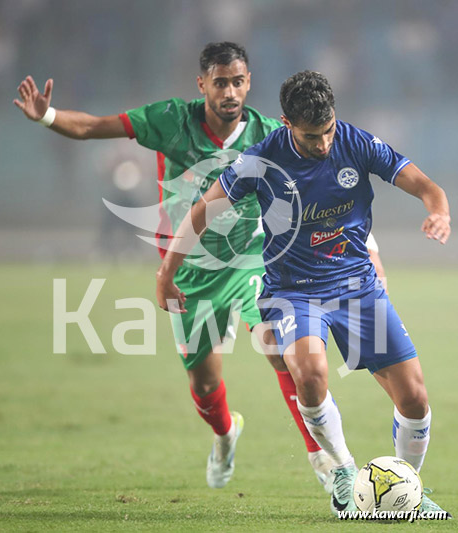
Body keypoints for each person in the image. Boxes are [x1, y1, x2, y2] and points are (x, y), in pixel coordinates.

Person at [15, 43, 358, 490]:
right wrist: (47, 116)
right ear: (203, 85)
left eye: (238, 81)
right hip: (189, 273)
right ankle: (224, 432)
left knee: (279, 346)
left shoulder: (269, 132)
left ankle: (327, 466)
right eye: (220, 83)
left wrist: (358, 237)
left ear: (248, 82)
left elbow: (324, 175)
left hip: (253, 260)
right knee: (203, 384)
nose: (230, 91)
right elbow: (95, 127)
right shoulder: (171, 120)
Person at [156, 70, 451, 516]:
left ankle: (405, 492)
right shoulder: (259, 161)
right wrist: (166, 273)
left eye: (328, 130)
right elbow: (202, 211)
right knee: (310, 374)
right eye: (312, 136)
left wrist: (439, 212)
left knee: (415, 398)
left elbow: (427, 186)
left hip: (358, 287)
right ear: (286, 123)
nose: (324, 144)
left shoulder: (357, 143)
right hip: (294, 292)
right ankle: (344, 471)